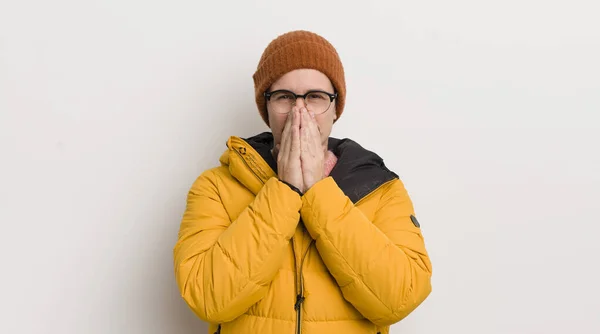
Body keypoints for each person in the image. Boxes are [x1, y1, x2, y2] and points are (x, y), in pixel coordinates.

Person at [173, 30, 432, 334]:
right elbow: (207, 299)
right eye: (284, 97)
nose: (299, 111)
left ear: (335, 108)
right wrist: (284, 191)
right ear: (266, 108)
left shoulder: (381, 188)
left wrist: (318, 193)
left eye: (315, 97)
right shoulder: (216, 186)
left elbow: (400, 299)